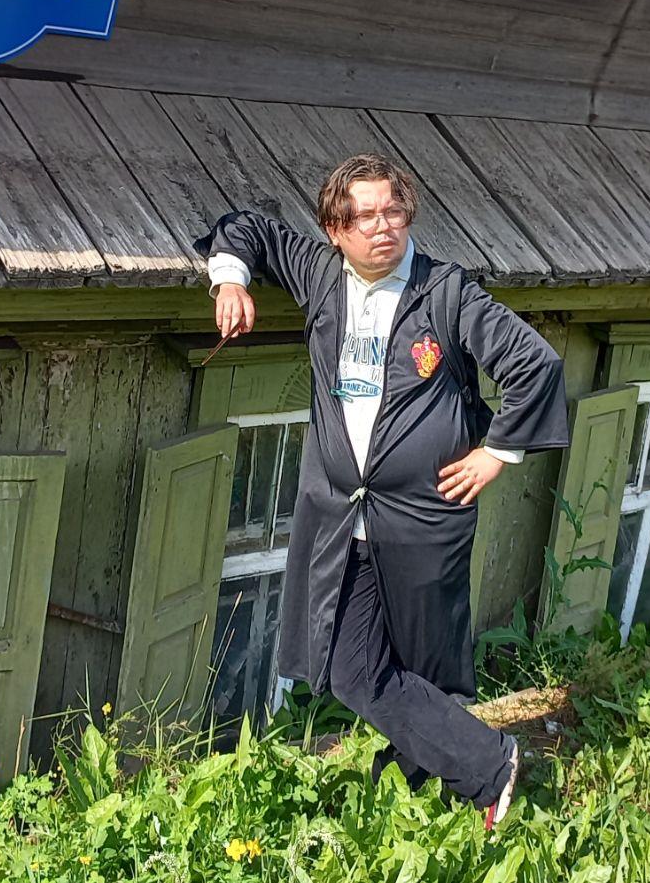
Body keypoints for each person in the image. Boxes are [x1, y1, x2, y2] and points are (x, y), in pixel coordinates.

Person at [196, 153, 570, 829]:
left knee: (425, 664)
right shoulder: (318, 273)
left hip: (425, 516)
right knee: (350, 666)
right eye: (364, 216)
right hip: (342, 517)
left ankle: (431, 795)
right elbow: (245, 226)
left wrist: (496, 452)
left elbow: (534, 363)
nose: (382, 226)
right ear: (335, 229)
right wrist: (230, 281)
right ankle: (488, 763)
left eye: (393, 210)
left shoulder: (445, 293)